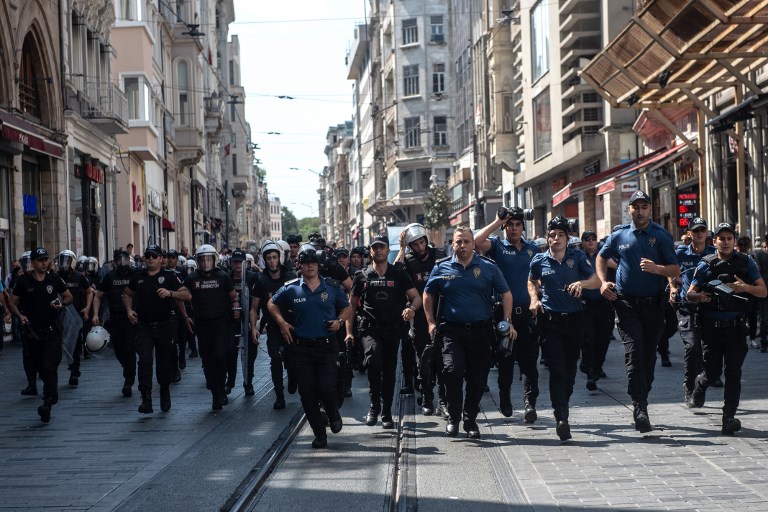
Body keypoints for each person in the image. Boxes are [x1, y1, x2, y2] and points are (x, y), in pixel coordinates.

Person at [597, 190, 680, 433]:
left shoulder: (661, 236)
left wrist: (657, 269)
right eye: (636, 207)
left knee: (648, 355)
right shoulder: (619, 235)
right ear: (630, 210)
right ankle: (639, 406)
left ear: (650, 210)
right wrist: (603, 282)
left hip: (654, 305)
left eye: (644, 207)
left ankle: (643, 392)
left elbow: (675, 268)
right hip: (626, 304)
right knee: (634, 352)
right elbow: (602, 258)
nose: (640, 211)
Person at [423, 226, 515, 439]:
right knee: (452, 372)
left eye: (466, 241)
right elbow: (428, 294)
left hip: (481, 332)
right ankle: (454, 417)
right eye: (458, 242)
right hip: (451, 332)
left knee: (478, 378)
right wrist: (430, 322)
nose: (462, 246)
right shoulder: (441, 268)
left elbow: (506, 294)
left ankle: (470, 419)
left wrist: (507, 321)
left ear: (474, 244)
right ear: (452, 244)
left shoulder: (488, 267)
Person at [268, 247, 353, 449]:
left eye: (313, 263)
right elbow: (271, 304)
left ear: (318, 265)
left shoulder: (331, 287)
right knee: (307, 394)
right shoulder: (291, 288)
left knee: (326, 387)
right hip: (302, 350)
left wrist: (340, 322)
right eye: (306, 263)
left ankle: (333, 413)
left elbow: (348, 307)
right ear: (300, 265)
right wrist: (281, 323)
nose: (310, 266)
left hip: (326, 347)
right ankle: (319, 434)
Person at [687, 222, 767, 435]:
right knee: (712, 372)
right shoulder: (706, 264)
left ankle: (728, 416)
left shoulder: (745, 262)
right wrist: (701, 297)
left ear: (734, 240)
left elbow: (762, 291)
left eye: (729, 238)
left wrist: (745, 287)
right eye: (721, 239)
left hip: (736, 328)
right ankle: (700, 384)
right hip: (711, 329)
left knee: (733, 372)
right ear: (715, 242)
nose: (725, 242)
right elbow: (689, 294)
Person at [529, 217, 601, 440]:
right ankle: (561, 416)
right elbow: (532, 281)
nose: (556, 239)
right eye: (552, 235)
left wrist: (582, 284)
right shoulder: (539, 260)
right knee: (557, 369)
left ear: (567, 238)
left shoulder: (577, 257)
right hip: (550, 322)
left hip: (575, 320)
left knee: (570, 370)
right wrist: (534, 299)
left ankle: (563, 402)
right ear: (547, 237)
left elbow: (596, 281)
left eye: (561, 235)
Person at [473, 208, 542, 423]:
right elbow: (476, 241)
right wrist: (497, 220)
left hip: (528, 314)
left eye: (517, 224)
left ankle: (530, 403)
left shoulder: (532, 249)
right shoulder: (498, 246)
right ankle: (505, 396)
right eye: (509, 224)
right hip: (504, 316)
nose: (513, 228)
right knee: (505, 360)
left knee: (530, 361)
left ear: (523, 227)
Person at [347, 235, 422, 429]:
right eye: (375, 247)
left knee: (389, 371)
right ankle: (374, 406)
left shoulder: (399, 273)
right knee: (373, 363)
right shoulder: (361, 275)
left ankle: (386, 410)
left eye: (382, 247)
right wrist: (349, 332)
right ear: (370, 251)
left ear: (388, 250)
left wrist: (411, 309)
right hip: (370, 330)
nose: (378, 250)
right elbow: (351, 306)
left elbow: (417, 298)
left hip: (393, 330)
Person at [8, 248, 73, 422]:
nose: (44, 263)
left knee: (50, 366)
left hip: (52, 332)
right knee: (40, 367)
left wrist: (61, 302)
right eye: (41, 260)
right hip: (33, 333)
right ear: (34, 263)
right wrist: (19, 316)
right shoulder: (23, 281)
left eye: (46, 259)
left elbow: (68, 297)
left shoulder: (54, 279)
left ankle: (48, 401)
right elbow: (12, 302)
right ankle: (50, 392)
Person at [124, 244, 184, 414]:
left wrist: (171, 293)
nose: (150, 258)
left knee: (164, 363)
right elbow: (127, 293)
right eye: (148, 255)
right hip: (144, 327)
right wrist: (129, 310)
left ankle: (164, 392)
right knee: (144, 361)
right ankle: (146, 399)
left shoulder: (169, 276)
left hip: (165, 326)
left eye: (154, 256)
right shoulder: (138, 277)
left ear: (161, 259)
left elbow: (186, 294)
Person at [394, 223, 448, 417]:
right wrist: (401, 248)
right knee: (423, 359)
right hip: (418, 315)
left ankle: (443, 399)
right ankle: (426, 396)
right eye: (415, 244)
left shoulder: (440, 255)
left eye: (421, 242)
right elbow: (396, 273)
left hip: (441, 313)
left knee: (443, 359)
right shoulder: (407, 260)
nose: (420, 247)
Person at [182, 244, 238, 410]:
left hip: (221, 323)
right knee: (207, 360)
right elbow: (183, 293)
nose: (206, 263)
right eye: (202, 259)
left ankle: (221, 389)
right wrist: (185, 315)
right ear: (198, 261)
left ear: (214, 259)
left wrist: (235, 307)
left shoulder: (223, 276)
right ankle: (215, 394)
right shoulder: (192, 278)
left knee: (220, 355)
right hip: (202, 324)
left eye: (208, 259)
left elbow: (233, 296)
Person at [670, 217, 716, 406]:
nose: (698, 233)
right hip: (686, 306)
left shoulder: (715, 253)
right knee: (691, 347)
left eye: (702, 230)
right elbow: (671, 271)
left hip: (709, 307)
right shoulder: (681, 252)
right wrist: (673, 287)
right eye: (695, 230)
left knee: (710, 351)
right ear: (689, 233)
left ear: (706, 233)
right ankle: (689, 388)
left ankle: (701, 384)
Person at [251, 242, 297, 405]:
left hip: (292, 327)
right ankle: (279, 396)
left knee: (292, 361)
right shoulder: (261, 281)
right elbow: (254, 308)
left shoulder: (291, 277)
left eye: (274, 257)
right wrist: (253, 328)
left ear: (280, 258)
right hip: (273, 328)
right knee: (276, 359)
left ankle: (293, 377)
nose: (272, 261)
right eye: (268, 258)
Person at [92, 250, 137, 397]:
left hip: (131, 318)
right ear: (115, 262)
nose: (123, 263)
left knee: (129, 347)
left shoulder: (135, 274)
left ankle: (129, 381)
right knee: (118, 349)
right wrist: (95, 314)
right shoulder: (110, 276)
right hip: (115, 318)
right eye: (120, 260)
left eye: (126, 260)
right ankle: (127, 368)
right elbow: (98, 296)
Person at [579, 230, 615, 391]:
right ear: (583, 242)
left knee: (603, 339)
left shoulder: (604, 256)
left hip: (605, 303)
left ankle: (597, 366)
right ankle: (590, 372)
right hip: (586, 305)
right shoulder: (579, 257)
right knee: (588, 339)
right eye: (587, 239)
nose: (591, 242)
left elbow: (620, 268)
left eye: (594, 239)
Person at [55, 250, 93, 387]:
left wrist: (87, 308)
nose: (64, 264)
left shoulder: (79, 277)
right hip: (58, 316)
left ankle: (74, 371)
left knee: (76, 345)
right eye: (62, 260)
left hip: (76, 315)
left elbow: (89, 292)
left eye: (67, 260)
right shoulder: (55, 276)